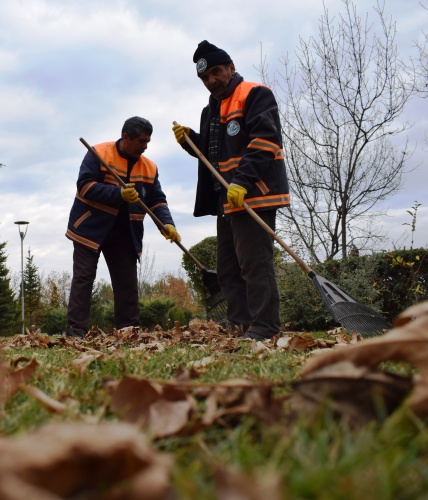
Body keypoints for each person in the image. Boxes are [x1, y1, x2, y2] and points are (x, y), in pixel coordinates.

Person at [173, 41, 290, 340]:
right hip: (227, 198)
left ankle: (265, 327)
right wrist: (191, 142)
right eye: (205, 78)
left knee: (255, 264)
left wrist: (242, 182)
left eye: (216, 72)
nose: (211, 80)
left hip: (255, 193)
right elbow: (215, 156)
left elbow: (265, 141)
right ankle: (240, 326)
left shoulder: (255, 94)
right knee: (227, 269)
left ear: (231, 67)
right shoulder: (209, 110)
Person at [65, 116, 181, 338]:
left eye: (148, 141)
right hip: (90, 226)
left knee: (127, 282)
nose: (145, 146)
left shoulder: (149, 167)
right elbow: (85, 187)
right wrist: (117, 193)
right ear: (125, 137)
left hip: (126, 231)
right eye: (141, 141)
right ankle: (76, 331)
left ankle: (129, 330)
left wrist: (167, 224)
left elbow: (156, 200)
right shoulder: (98, 153)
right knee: (83, 278)